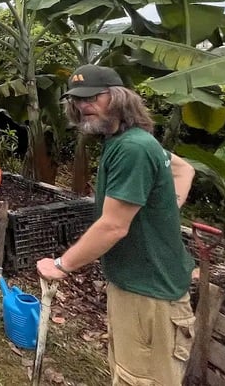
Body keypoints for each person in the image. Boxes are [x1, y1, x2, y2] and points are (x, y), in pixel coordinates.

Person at [36, 64, 197, 385]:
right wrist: (165, 207)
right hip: (140, 283)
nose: (83, 106)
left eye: (94, 97)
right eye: (78, 100)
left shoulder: (133, 148)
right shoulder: (130, 141)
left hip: (149, 293)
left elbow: (112, 226)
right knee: (128, 369)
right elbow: (184, 170)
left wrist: (61, 264)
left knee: (139, 378)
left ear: (120, 97)